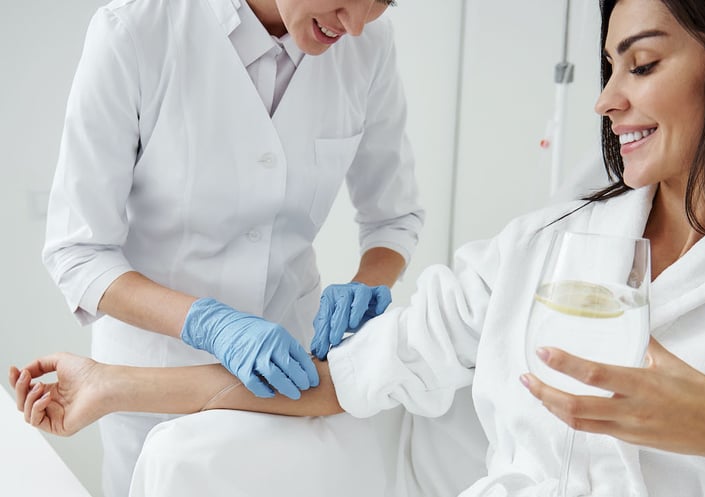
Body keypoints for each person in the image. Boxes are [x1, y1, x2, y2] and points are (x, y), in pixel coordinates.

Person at [20, 0, 705, 495]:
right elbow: (349, 374)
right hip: (175, 348)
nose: (604, 99)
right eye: (608, 67)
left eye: (640, 63)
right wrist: (116, 386)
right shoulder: (554, 245)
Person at [39, 0, 425, 495]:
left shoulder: (368, 44)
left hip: (289, 372)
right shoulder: (134, 31)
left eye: (381, 3)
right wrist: (209, 322)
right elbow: (78, 252)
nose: (352, 26)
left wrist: (366, 284)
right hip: (154, 374)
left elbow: (394, 218)